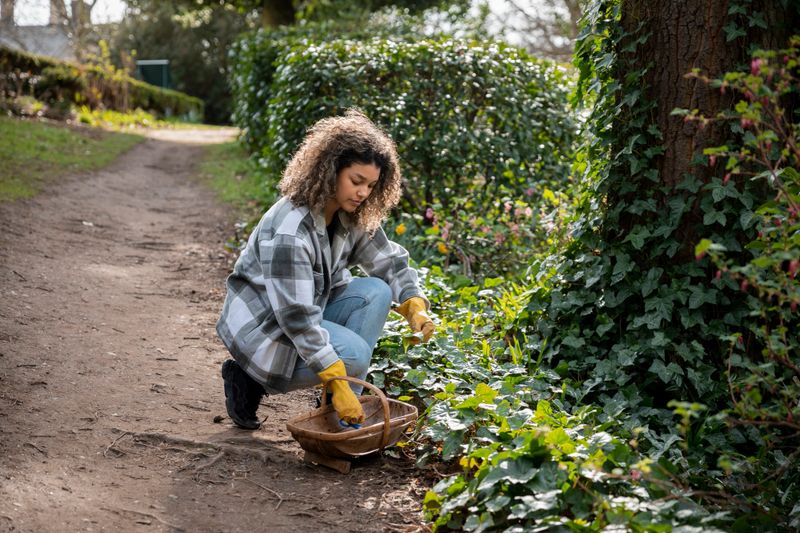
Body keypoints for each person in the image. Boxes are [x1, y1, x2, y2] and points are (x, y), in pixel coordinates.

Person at [216, 109, 435, 430]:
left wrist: (413, 303)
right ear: (330, 171)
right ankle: (252, 380)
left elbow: (386, 259)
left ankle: (339, 414)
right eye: (356, 181)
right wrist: (336, 376)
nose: (363, 193)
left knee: (378, 291)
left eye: (372, 185)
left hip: (305, 309)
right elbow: (296, 317)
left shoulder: (349, 212)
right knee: (355, 355)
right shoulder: (292, 229)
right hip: (265, 325)